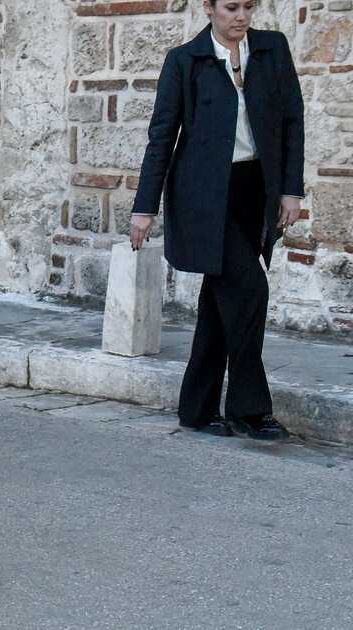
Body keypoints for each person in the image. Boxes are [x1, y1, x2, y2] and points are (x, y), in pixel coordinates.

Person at [131, 0, 302, 441]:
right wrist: (144, 208)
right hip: (203, 196)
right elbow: (161, 137)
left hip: (253, 190)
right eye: (230, 7)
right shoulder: (184, 61)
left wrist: (291, 189)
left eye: (248, 6)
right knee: (250, 290)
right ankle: (250, 410)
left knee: (220, 300)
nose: (241, 16)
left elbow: (291, 121)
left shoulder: (272, 49)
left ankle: (197, 408)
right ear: (208, 7)